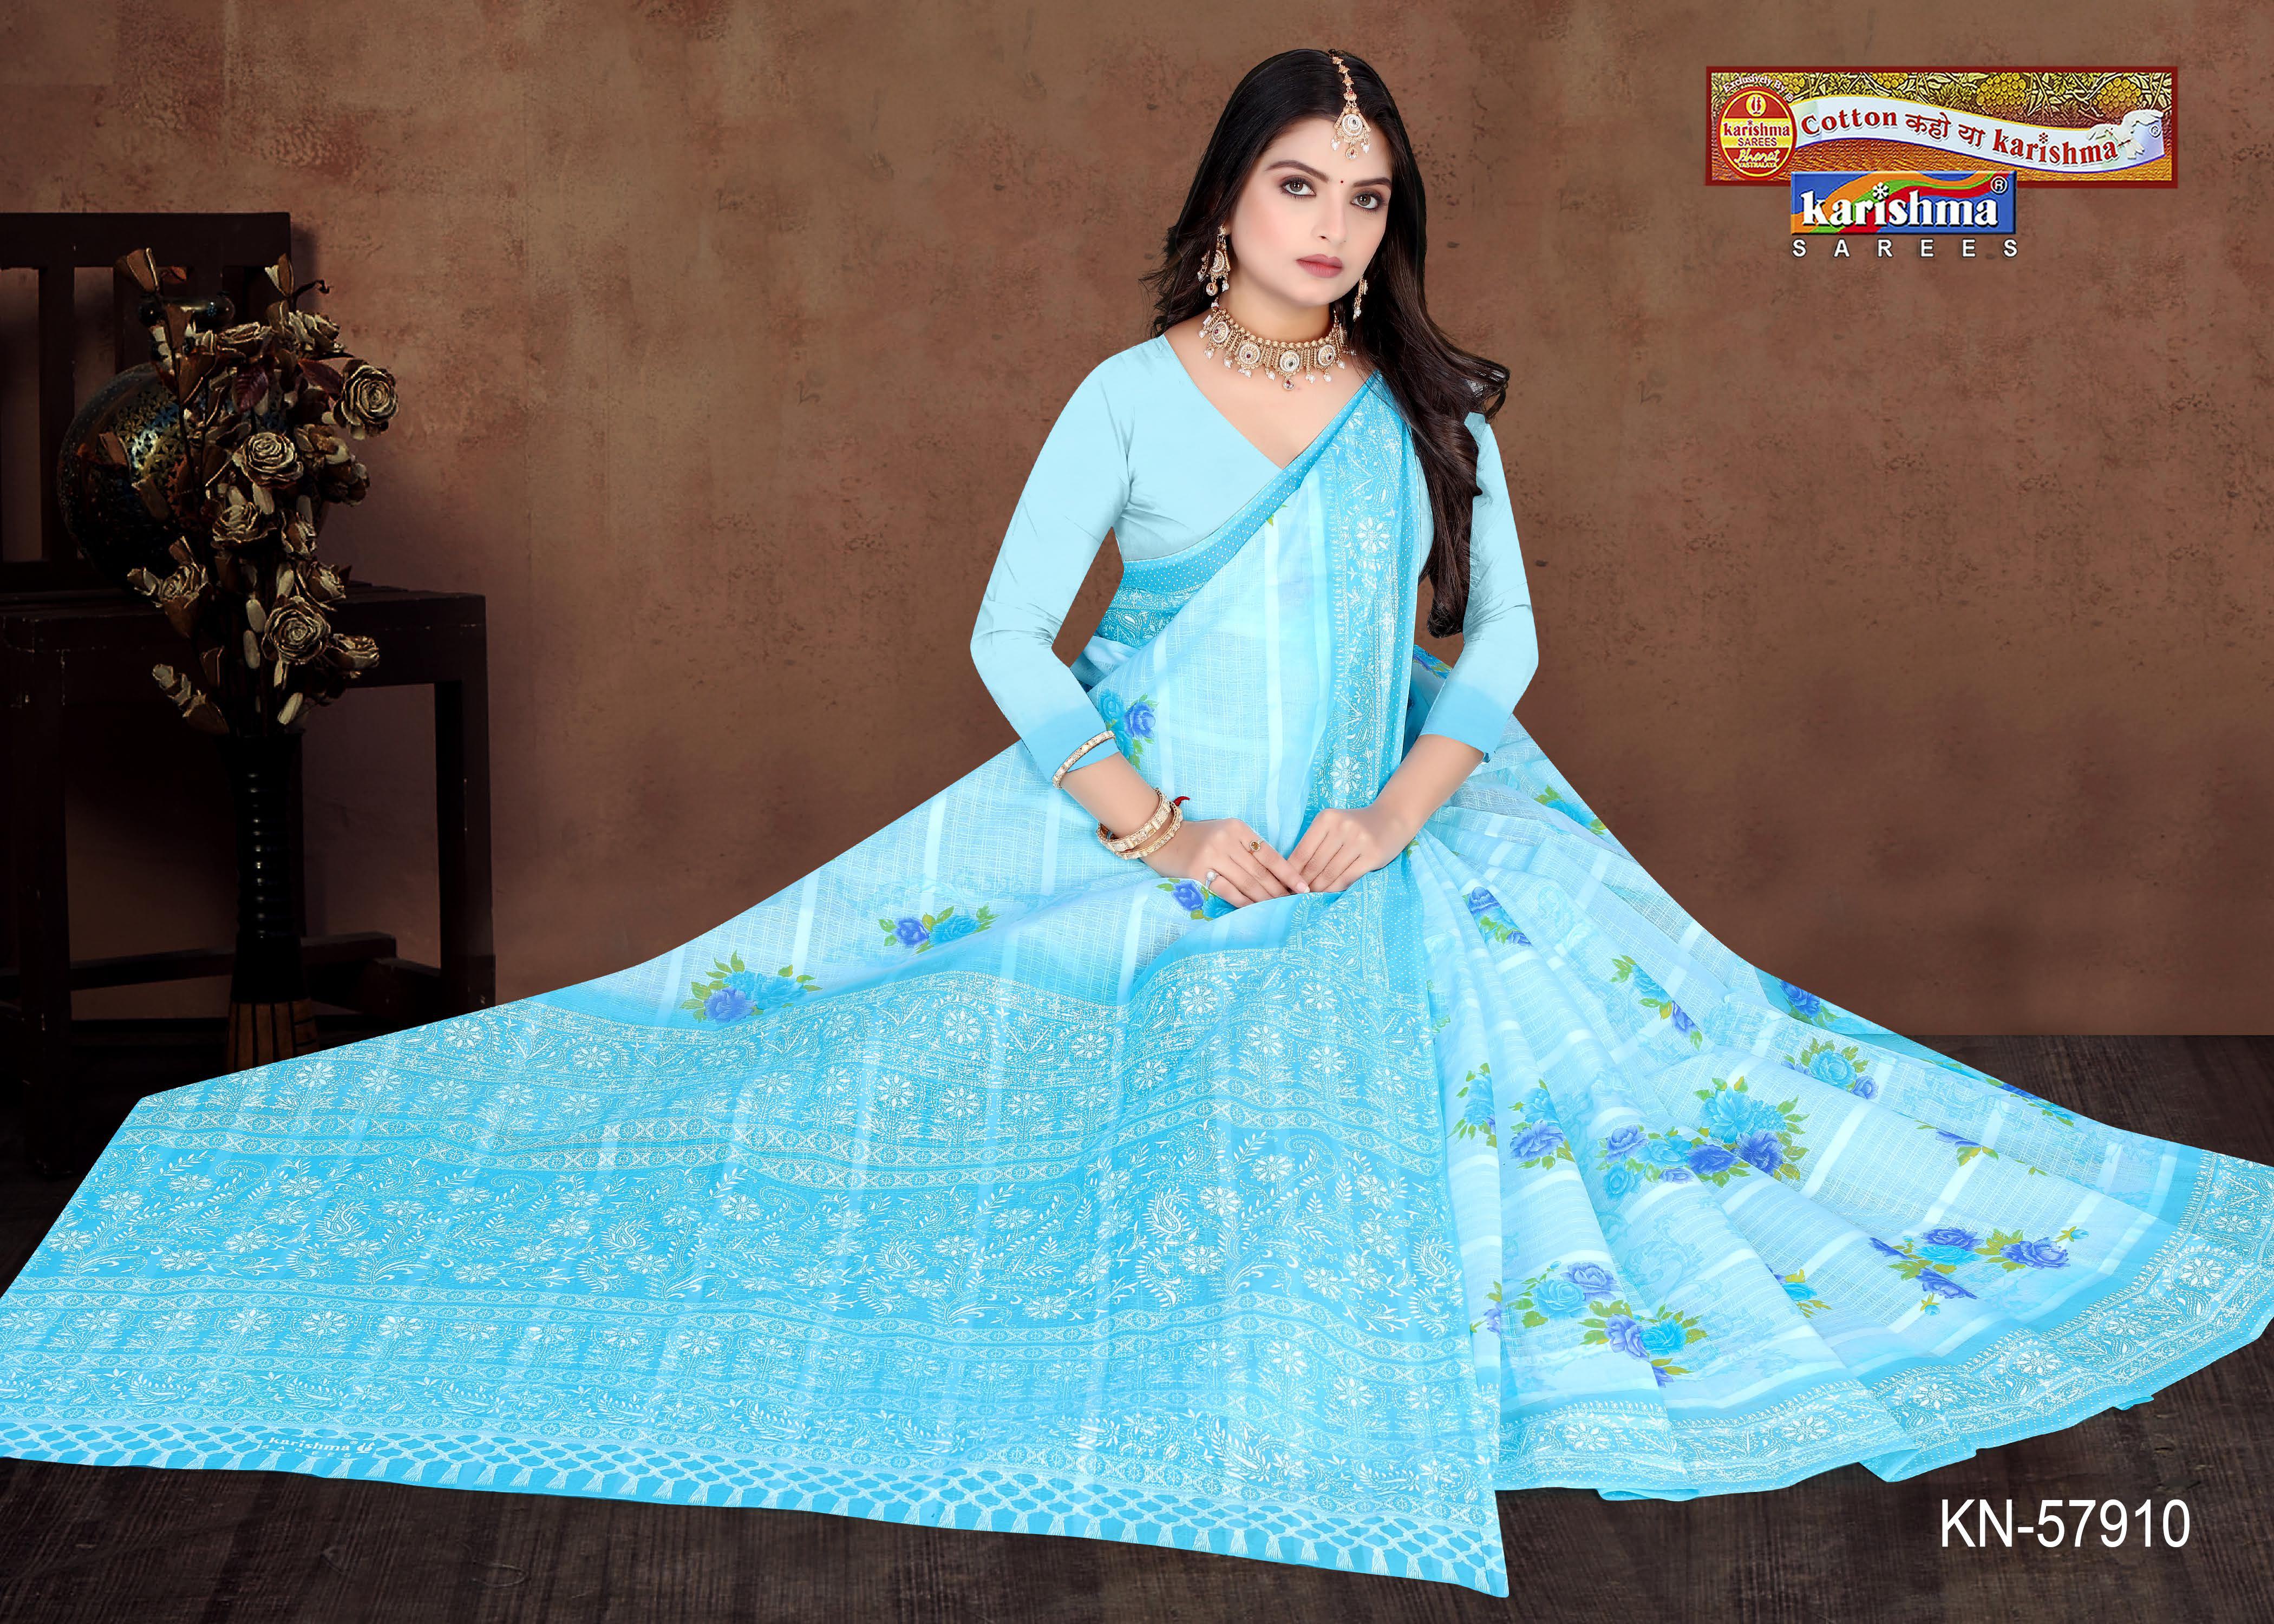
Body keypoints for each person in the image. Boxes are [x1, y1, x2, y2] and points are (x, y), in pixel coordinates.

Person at [0, 48, 2268, 1602]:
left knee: (1710, 1109)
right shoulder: (1127, 401)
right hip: (1155, 844)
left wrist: (1392, 818)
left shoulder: (1430, 405)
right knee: (806, 1070)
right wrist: (1164, 832)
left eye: (1370, 197)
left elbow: (1500, 651)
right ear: (1226, 200)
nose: (1337, 226)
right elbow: (1010, 640)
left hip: (1396, 841)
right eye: (1302, 185)